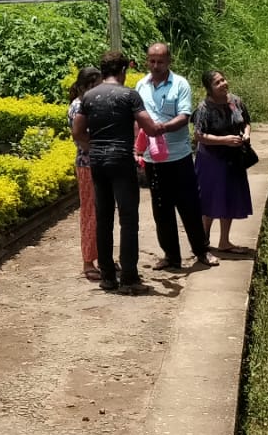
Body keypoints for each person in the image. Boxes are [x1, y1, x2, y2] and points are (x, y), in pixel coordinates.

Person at [71, 51, 176, 293]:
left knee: (104, 218)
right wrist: (164, 127)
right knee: (128, 219)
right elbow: (148, 128)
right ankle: (128, 277)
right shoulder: (129, 95)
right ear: (122, 71)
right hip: (121, 160)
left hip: (97, 161)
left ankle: (107, 276)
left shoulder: (89, 97)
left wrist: (93, 145)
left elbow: (77, 131)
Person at [134, 43, 213, 271]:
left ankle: (201, 251)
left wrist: (162, 128)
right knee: (161, 209)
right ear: (147, 61)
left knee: (189, 206)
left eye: (160, 61)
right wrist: (136, 148)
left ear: (169, 61)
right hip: (152, 159)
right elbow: (137, 120)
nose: (155, 65)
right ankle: (171, 256)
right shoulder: (141, 85)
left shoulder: (180, 84)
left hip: (179, 156)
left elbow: (185, 115)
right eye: (152, 61)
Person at [194, 69, 255, 253]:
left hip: (233, 159)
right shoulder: (203, 108)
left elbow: (246, 122)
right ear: (209, 88)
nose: (223, 84)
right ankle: (203, 240)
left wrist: (246, 133)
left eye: (223, 80)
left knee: (228, 198)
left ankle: (224, 241)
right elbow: (199, 136)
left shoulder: (235, 101)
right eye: (217, 83)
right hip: (211, 160)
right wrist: (225, 140)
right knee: (210, 199)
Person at [67, 66, 104, 281]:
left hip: (99, 162)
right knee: (90, 213)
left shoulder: (92, 103)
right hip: (87, 164)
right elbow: (80, 137)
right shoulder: (78, 107)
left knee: (103, 212)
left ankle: (103, 257)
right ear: (85, 87)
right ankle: (88, 261)